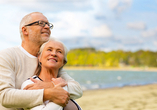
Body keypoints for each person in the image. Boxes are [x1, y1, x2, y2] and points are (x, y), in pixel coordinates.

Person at [0, 12, 82, 110]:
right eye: (41, 23)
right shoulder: (7, 56)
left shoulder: (49, 61)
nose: (47, 27)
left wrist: (48, 85)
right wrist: (48, 93)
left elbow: (77, 89)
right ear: (25, 30)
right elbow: (4, 97)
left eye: (48, 24)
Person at [21, 38, 81, 110]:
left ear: (63, 62)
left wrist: (56, 86)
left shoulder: (63, 82)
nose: (53, 54)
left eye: (59, 51)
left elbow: (78, 91)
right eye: (49, 49)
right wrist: (61, 89)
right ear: (39, 57)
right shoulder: (30, 84)